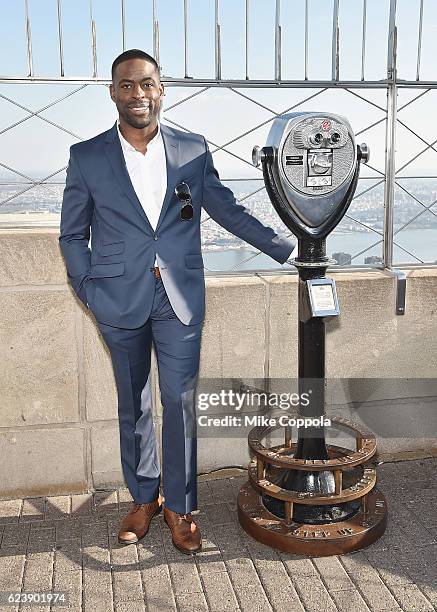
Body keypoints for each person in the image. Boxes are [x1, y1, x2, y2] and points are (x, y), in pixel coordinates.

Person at [59, 49, 295, 555]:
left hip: (179, 299)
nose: (137, 94)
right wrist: (88, 291)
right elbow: (72, 235)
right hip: (116, 301)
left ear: (160, 89)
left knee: (181, 403)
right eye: (126, 85)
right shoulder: (87, 156)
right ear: (113, 93)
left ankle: (180, 507)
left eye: (146, 84)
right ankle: (143, 498)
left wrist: (285, 246)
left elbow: (225, 209)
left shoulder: (192, 149)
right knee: (134, 403)